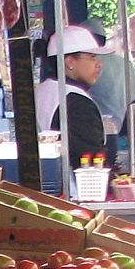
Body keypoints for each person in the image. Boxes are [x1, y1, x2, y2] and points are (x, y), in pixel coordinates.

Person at [33, 27, 107, 168]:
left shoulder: (41, 90)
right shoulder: (78, 103)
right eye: (92, 57)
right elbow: (91, 158)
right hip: (73, 186)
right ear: (70, 62)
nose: (99, 64)